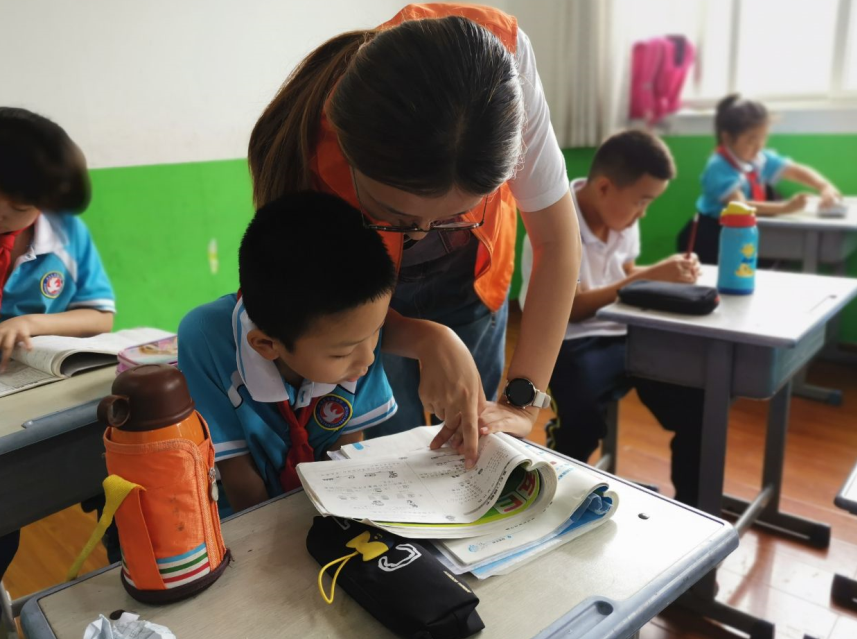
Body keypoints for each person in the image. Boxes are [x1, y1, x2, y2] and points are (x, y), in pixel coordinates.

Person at [248, 4, 581, 467]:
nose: (423, 232)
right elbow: (319, 307)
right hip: (362, 304)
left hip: (473, 285)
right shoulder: (302, 153)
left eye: (458, 213)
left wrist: (520, 403)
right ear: (347, 154)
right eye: (393, 214)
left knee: (479, 441)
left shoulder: (501, 64)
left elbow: (557, 242)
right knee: (391, 447)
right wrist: (422, 338)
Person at [179, 192, 474, 514]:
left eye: (375, 334)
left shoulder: (354, 334)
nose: (368, 360)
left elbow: (346, 452)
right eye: (342, 354)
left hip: (324, 507)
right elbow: (238, 475)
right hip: (239, 517)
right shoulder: (204, 338)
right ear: (266, 345)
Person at [520, 130, 705, 505]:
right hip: (570, 339)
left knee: (697, 406)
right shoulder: (556, 224)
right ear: (604, 187)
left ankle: (697, 510)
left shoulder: (620, 214)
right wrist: (648, 276)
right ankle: (555, 503)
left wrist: (666, 273)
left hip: (625, 333)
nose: (643, 213)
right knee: (582, 422)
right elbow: (571, 307)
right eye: (642, 202)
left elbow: (623, 269)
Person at [0, 106, 115, 608]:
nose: (8, 218)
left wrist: (32, 323)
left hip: (42, 391)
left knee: (108, 475)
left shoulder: (66, 235)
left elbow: (99, 317)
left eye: (22, 210)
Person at [678, 93, 842, 264]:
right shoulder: (719, 166)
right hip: (712, 235)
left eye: (763, 138)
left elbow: (796, 171)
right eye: (751, 140)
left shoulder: (758, 158)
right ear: (727, 138)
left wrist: (824, 187)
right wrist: (785, 207)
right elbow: (739, 206)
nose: (759, 146)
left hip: (745, 230)